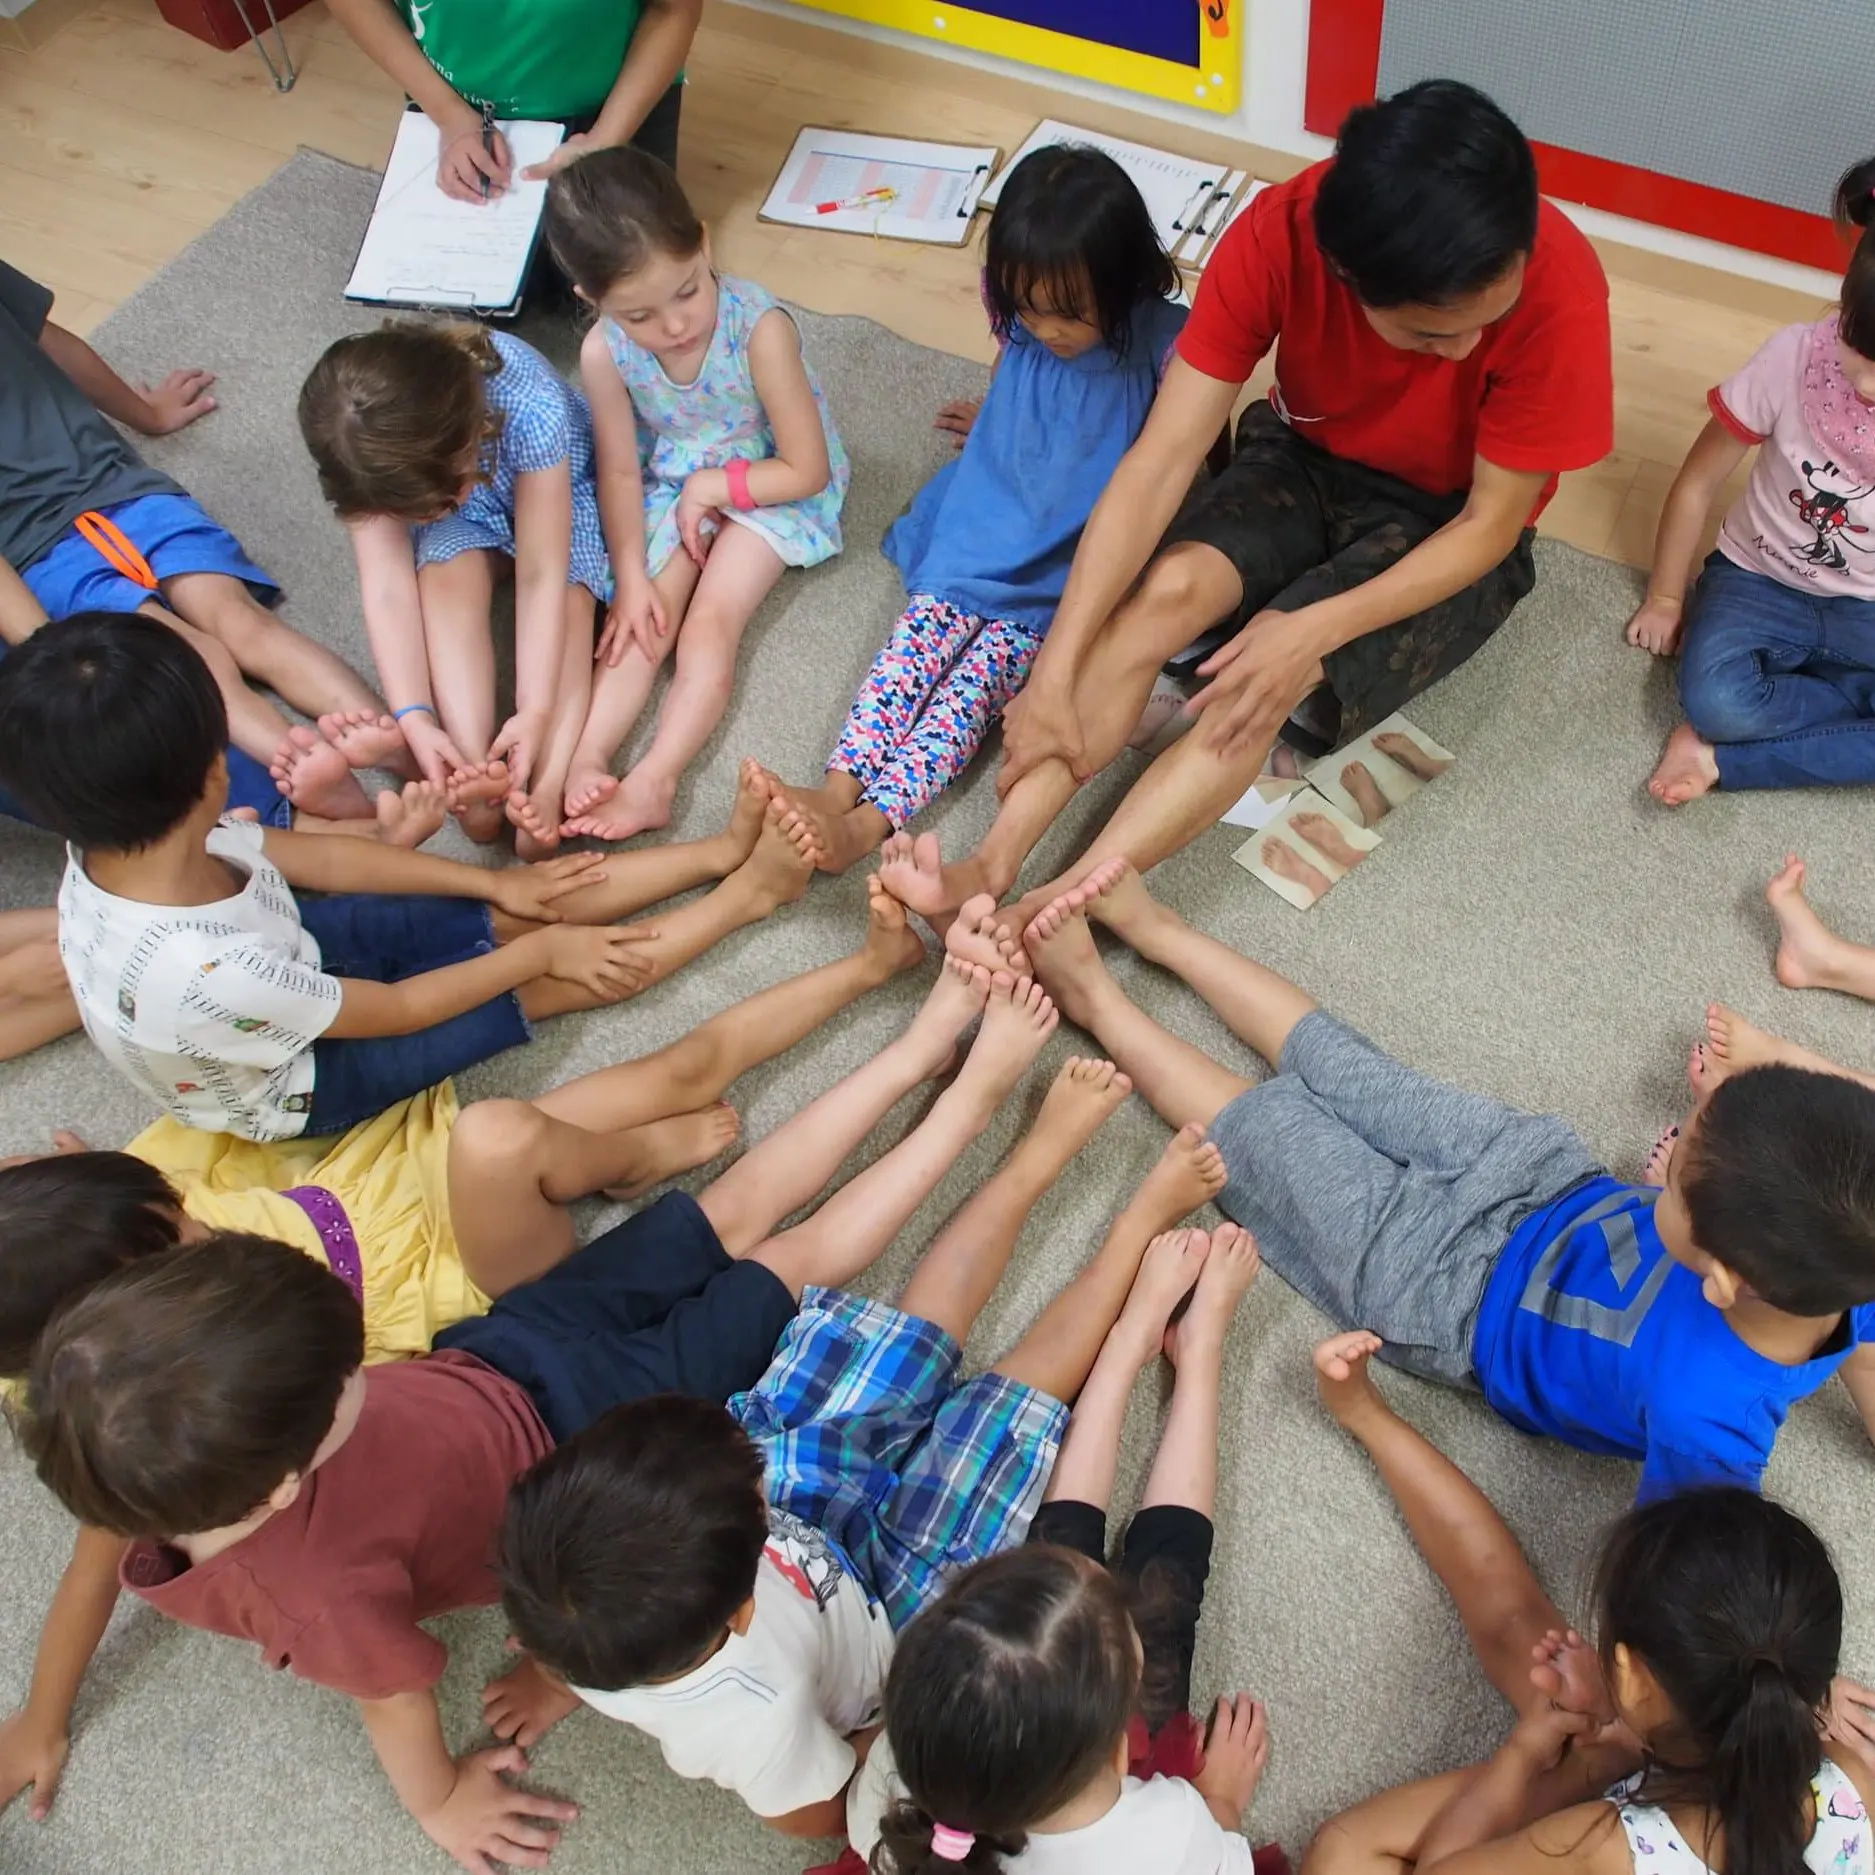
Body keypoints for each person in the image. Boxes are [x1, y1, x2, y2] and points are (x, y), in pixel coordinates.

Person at [7, 957, 1059, 1872]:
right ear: (284, 1478)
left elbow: (90, 1574)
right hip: (586, 1440)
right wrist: (440, 1801)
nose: (361, 1366)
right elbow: (396, 1699)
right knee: (788, 1259)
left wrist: (40, 1717)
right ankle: (971, 1097)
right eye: (343, 1377)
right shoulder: (316, 1598)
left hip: (511, 1350)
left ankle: (921, 1048)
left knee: (725, 1209)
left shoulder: (135, 1459)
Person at [871, 80, 1613, 935]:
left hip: (1441, 522)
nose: (1466, 350)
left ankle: (1054, 905)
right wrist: (1056, 666)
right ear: (1348, 277)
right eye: (1431, 336)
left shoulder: (1558, 289)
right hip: (1302, 454)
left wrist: (1313, 630)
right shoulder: (1279, 232)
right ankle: (991, 863)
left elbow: (1489, 525)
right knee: (1161, 597)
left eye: (1484, 321)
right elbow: (1161, 459)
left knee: (1257, 684)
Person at [494, 1055, 1236, 1841]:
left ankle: (1033, 1161)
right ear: (746, 1606)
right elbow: (814, 1813)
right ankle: (1130, 1232)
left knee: (916, 1332)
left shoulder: (556, 1589)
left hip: (779, 1525)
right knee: (1015, 1401)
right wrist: (890, 1742)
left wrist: (559, 1674)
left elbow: (574, 1610)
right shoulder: (751, 1721)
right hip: (895, 1621)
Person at [1015, 857, 1875, 1499]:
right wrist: (1684, 1189)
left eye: (1680, 1162)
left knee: (1266, 1131)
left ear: (1725, 1280)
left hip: (1454, 1299)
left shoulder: (1711, 1422)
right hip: (1543, 1179)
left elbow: (1688, 1561)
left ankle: (1098, 1004)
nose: (1671, 1139)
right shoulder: (1854, 1252)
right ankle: (1162, 930)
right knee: (1345, 1063)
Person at [0, 613, 823, 1142]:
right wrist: (541, 955)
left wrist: (492, 888)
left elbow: (320, 858)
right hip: (304, 1076)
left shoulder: (120, 832)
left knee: (520, 907)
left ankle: (718, 854)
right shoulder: (208, 972)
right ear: (211, 777)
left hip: (286, 950)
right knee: (549, 970)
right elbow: (397, 1010)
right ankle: (750, 894)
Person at [1303, 1332, 1875, 1875]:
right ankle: (1368, 1418)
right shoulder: (1851, 1782)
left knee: (1345, 1848)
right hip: (1676, 1746)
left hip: (1608, 1811)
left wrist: (1537, 1755)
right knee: (1524, 1643)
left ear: (1630, 1676)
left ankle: (1364, 1415)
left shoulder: (1595, 1845)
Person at [768, 147, 1187, 873]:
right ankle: (835, 790)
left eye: (1067, 312)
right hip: (984, 516)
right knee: (908, 654)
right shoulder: (1024, 317)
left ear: (1120, 279)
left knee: (970, 693)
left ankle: (870, 822)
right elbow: (1012, 355)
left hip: (1060, 558)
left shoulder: (1160, 336)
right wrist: (999, 412)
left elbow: (1180, 440)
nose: (1043, 327)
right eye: (1026, 306)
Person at [848, 1222, 1270, 1874]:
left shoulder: (894, 1799)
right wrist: (1218, 1798)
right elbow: (1216, 1846)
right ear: (1120, 1753)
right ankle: (1201, 1347)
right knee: (1165, 1587)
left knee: (1070, 1570)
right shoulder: (1171, 1834)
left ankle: (1126, 1343)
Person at [0, 259, 396, 822]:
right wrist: (145, 415)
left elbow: (48, 339)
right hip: (120, 491)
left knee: (185, 653)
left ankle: (300, 759)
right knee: (243, 625)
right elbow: (50, 339)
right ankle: (395, 739)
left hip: (43, 547)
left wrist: (40, 647)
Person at [542, 149, 851, 842]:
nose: (676, 325)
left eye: (687, 290)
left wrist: (716, 488)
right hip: (676, 477)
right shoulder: (604, 353)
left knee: (708, 624)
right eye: (642, 314)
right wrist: (629, 579)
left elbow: (806, 468)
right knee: (639, 620)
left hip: (770, 478)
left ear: (704, 243)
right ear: (592, 301)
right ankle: (586, 755)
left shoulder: (758, 328)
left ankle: (657, 777)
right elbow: (620, 472)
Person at [298, 321, 612, 855]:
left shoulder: (530, 403)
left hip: (557, 488)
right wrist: (413, 715)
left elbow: (541, 571)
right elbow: (388, 589)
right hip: (451, 483)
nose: (445, 508)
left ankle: (547, 783)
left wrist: (533, 710)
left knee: (570, 599)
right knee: (443, 581)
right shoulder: (365, 455)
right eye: (414, 514)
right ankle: (476, 776)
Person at [1633, 158, 1875, 804]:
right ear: (1845, 299)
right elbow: (1695, 482)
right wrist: (1663, 597)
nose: (1866, 386)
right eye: (1859, 347)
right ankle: (1827, 694)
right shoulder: (1792, 357)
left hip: (1865, 606)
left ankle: (1721, 763)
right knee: (1717, 699)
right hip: (1757, 578)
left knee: (1724, 717)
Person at [324, 0, 699, 198]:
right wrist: (447, 114)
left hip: (612, 104)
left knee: (621, 279)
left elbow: (673, 10)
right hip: (456, 100)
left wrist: (606, 138)